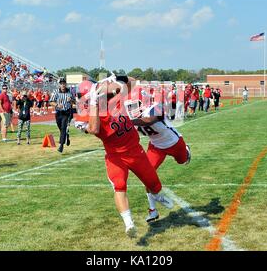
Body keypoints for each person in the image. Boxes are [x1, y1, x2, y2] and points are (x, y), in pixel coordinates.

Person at [75, 77, 174, 238]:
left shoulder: (114, 100)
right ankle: (129, 223)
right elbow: (93, 128)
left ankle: (157, 195)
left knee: (154, 184)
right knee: (119, 186)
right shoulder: (91, 113)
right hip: (115, 156)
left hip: (134, 150)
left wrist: (118, 78)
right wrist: (94, 102)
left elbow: (133, 82)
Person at [125, 97, 191, 223]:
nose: (131, 110)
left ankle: (186, 151)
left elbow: (149, 120)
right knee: (147, 176)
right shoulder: (131, 121)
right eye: (129, 107)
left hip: (174, 142)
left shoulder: (155, 108)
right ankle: (152, 210)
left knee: (182, 161)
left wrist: (130, 122)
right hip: (156, 147)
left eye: (133, 106)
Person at [53, 78, 74, 153]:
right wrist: (57, 105)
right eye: (61, 83)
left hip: (66, 112)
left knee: (63, 127)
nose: (63, 85)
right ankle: (66, 136)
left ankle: (61, 145)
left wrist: (70, 100)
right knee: (61, 128)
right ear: (59, 84)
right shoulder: (56, 91)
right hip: (58, 113)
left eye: (64, 83)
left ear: (66, 84)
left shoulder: (69, 91)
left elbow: (73, 102)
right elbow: (51, 102)